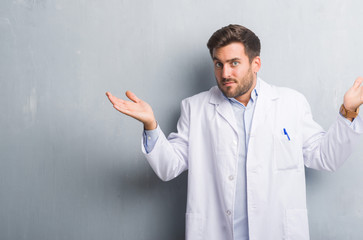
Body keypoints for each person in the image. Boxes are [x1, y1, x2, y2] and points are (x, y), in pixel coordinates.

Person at [106, 24, 363, 240]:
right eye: (218, 64)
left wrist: (348, 112)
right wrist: (151, 125)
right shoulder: (194, 109)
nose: (224, 73)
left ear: (256, 63)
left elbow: (326, 158)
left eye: (234, 63)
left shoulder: (290, 103)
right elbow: (168, 167)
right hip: (215, 231)